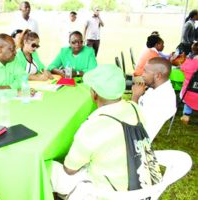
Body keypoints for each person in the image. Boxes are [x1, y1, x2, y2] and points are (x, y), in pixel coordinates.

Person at [51, 65, 162, 197]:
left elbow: (69, 170)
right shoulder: (134, 107)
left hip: (109, 193)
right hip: (142, 187)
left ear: (94, 94)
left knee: (49, 169)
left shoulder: (92, 126)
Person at [132, 57, 176, 141]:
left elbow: (136, 123)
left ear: (158, 76)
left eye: (145, 71)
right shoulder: (156, 87)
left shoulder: (162, 100)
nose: (142, 74)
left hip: (135, 139)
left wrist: (135, 97)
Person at [180, 42, 198, 124]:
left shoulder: (187, 61)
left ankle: (186, 115)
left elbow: (181, 69)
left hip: (186, 93)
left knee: (188, 96)